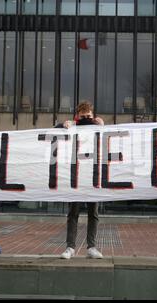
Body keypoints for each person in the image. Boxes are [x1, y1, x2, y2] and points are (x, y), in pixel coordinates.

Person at [57, 101, 104, 259]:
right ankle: (70, 247)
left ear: (93, 116)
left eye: (88, 117)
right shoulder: (71, 127)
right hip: (76, 176)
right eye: (82, 117)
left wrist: (104, 127)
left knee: (93, 213)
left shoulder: (99, 128)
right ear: (77, 116)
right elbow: (53, 133)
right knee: (73, 213)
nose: (86, 120)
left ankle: (91, 247)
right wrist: (63, 125)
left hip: (93, 176)